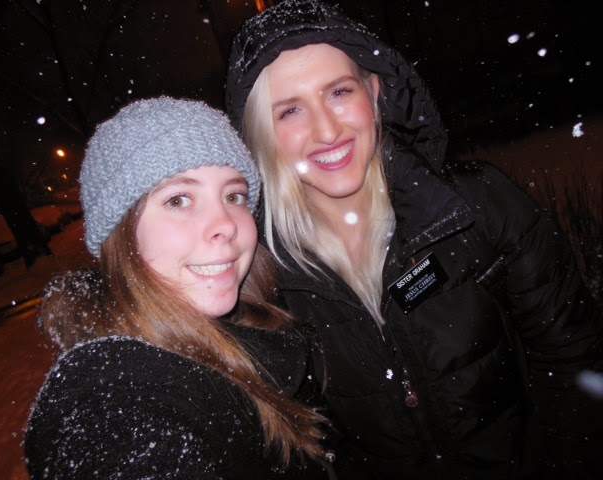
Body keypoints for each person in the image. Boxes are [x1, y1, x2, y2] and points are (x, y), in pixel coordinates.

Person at [224, 1, 603, 478]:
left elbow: (574, 361)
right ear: (260, 134)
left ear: (374, 92)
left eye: (339, 91)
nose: (326, 130)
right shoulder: (260, 277)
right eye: (290, 110)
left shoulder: (475, 208)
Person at [24, 97, 336, 479]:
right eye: (178, 199)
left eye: (233, 196)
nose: (226, 224)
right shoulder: (115, 402)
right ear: (121, 233)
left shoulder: (266, 324)